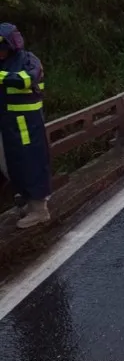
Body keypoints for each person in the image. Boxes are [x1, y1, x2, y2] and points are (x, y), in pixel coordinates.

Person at [0, 23, 51, 228]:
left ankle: (40, 209)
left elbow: (26, 79)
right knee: (11, 165)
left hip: (27, 124)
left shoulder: (28, 60)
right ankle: (28, 202)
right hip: (7, 125)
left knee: (31, 162)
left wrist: (2, 77)